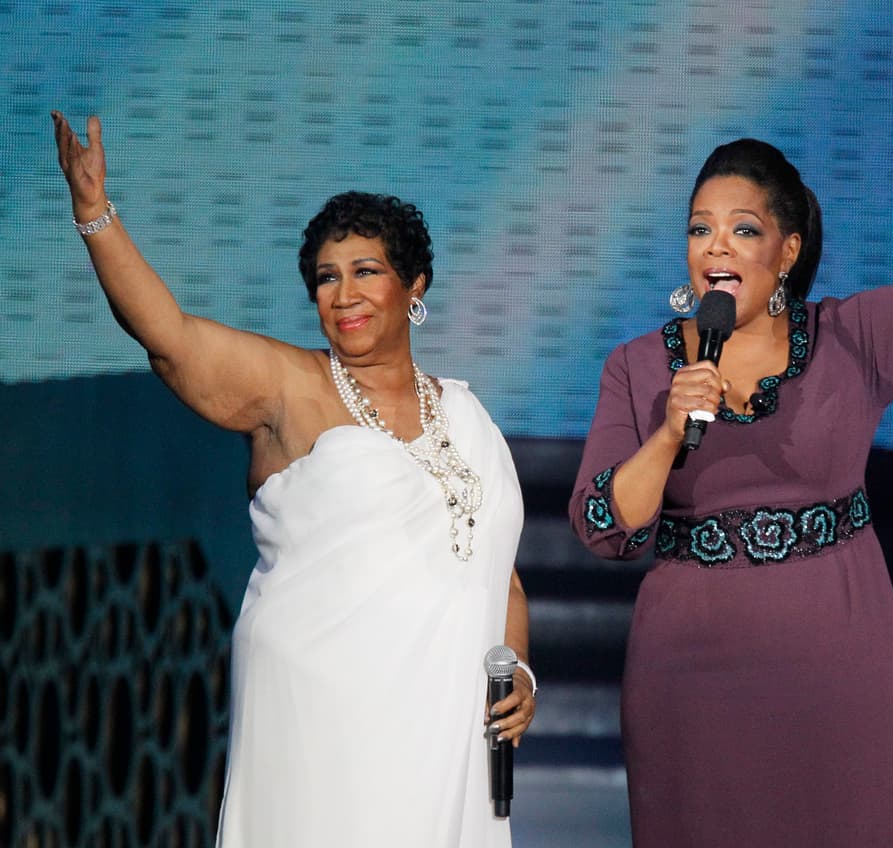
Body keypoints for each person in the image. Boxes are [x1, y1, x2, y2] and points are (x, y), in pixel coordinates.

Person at [568, 74, 893, 845]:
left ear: (786, 251)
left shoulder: (852, 339)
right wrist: (670, 429)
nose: (715, 246)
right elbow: (601, 526)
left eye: (742, 230)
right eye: (699, 229)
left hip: (838, 670)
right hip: (687, 678)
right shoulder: (638, 369)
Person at [51, 111, 536, 847]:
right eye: (326, 279)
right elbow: (170, 337)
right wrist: (96, 215)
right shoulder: (290, 386)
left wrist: (519, 675)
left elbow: (499, 579)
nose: (343, 295)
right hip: (322, 709)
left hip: (446, 724)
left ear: (416, 287)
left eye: (366, 272)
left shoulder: (469, 417)